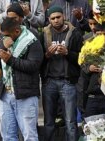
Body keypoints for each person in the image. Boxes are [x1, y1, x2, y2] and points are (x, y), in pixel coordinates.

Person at [0, 17, 43, 141]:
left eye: (7, 35)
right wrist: (2, 46)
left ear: (17, 32)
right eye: (3, 36)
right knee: (7, 136)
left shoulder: (32, 41)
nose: (5, 38)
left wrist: (10, 60)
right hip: (5, 94)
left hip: (26, 95)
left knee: (29, 136)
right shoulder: (4, 40)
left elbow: (33, 66)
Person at [41, 6, 83, 141]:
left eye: (58, 17)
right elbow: (38, 59)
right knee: (48, 121)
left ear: (63, 16)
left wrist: (67, 53)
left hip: (68, 81)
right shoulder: (44, 33)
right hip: (49, 81)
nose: (56, 20)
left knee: (70, 121)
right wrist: (47, 54)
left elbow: (81, 59)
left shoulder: (75, 33)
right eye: (52, 18)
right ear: (49, 20)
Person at [83, 21, 105, 128]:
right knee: (91, 128)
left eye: (103, 34)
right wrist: (89, 68)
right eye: (98, 34)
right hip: (92, 96)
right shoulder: (89, 49)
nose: (101, 37)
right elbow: (81, 70)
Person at [76, 10, 99, 119]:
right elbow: (81, 60)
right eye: (90, 24)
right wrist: (88, 68)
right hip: (87, 81)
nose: (93, 27)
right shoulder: (85, 39)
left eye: (95, 23)